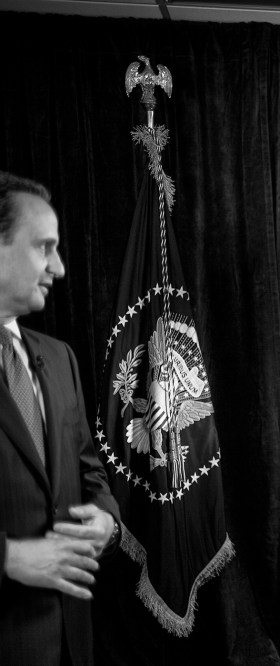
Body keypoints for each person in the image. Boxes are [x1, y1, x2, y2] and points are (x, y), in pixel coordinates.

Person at [0, 171, 120, 666]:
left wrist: (107, 521)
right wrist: (9, 558)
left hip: (71, 640)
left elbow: (89, 470)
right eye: (43, 248)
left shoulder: (59, 357)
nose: (60, 267)